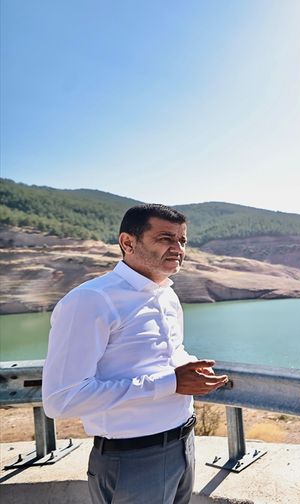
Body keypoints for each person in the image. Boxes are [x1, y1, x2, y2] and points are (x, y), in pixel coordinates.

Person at [42, 204, 229, 504]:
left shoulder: (166, 293)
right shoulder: (90, 301)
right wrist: (171, 383)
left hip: (184, 445)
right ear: (128, 243)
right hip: (131, 461)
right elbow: (61, 399)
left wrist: (190, 369)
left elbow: (168, 354)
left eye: (182, 240)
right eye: (165, 238)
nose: (178, 248)